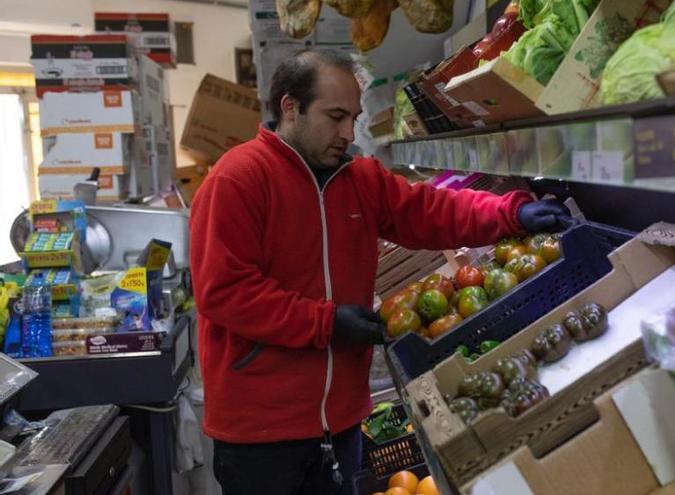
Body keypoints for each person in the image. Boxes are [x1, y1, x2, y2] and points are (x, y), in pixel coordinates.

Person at [189, 49, 574, 495]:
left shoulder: (360, 179)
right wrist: (328, 323)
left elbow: (432, 211)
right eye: (335, 116)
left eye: (353, 118)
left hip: (344, 421)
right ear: (289, 107)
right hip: (261, 433)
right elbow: (225, 293)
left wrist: (514, 213)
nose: (348, 133)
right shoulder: (238, 180)